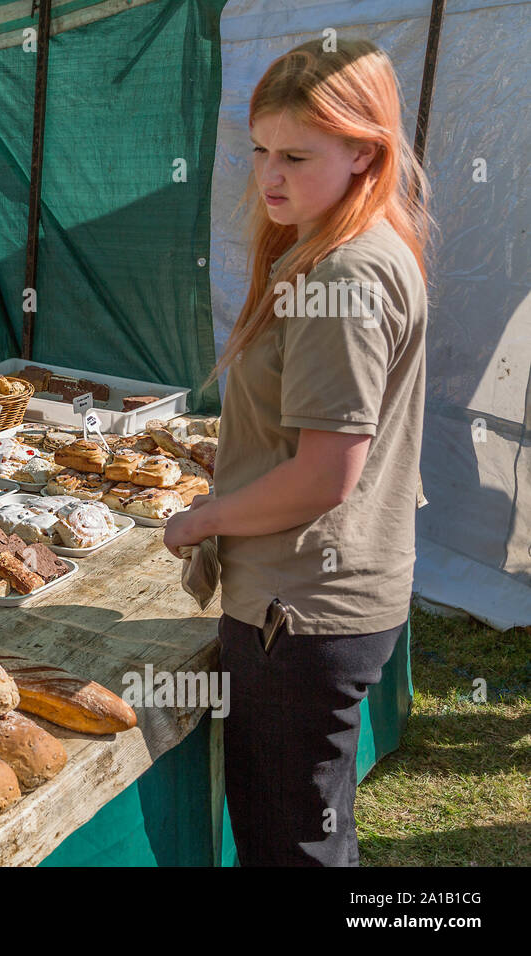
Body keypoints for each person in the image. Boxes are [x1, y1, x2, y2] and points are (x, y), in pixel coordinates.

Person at [163, 38, 430, 866]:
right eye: (260, 152)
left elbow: (325, 474)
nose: (269, 175)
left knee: (290, 845)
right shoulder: (358, 244)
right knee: (311, 827)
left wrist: (203, 518)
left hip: (302, 610)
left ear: (365, 151)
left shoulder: (339, 277)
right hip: (328, 598)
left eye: (296, 155)